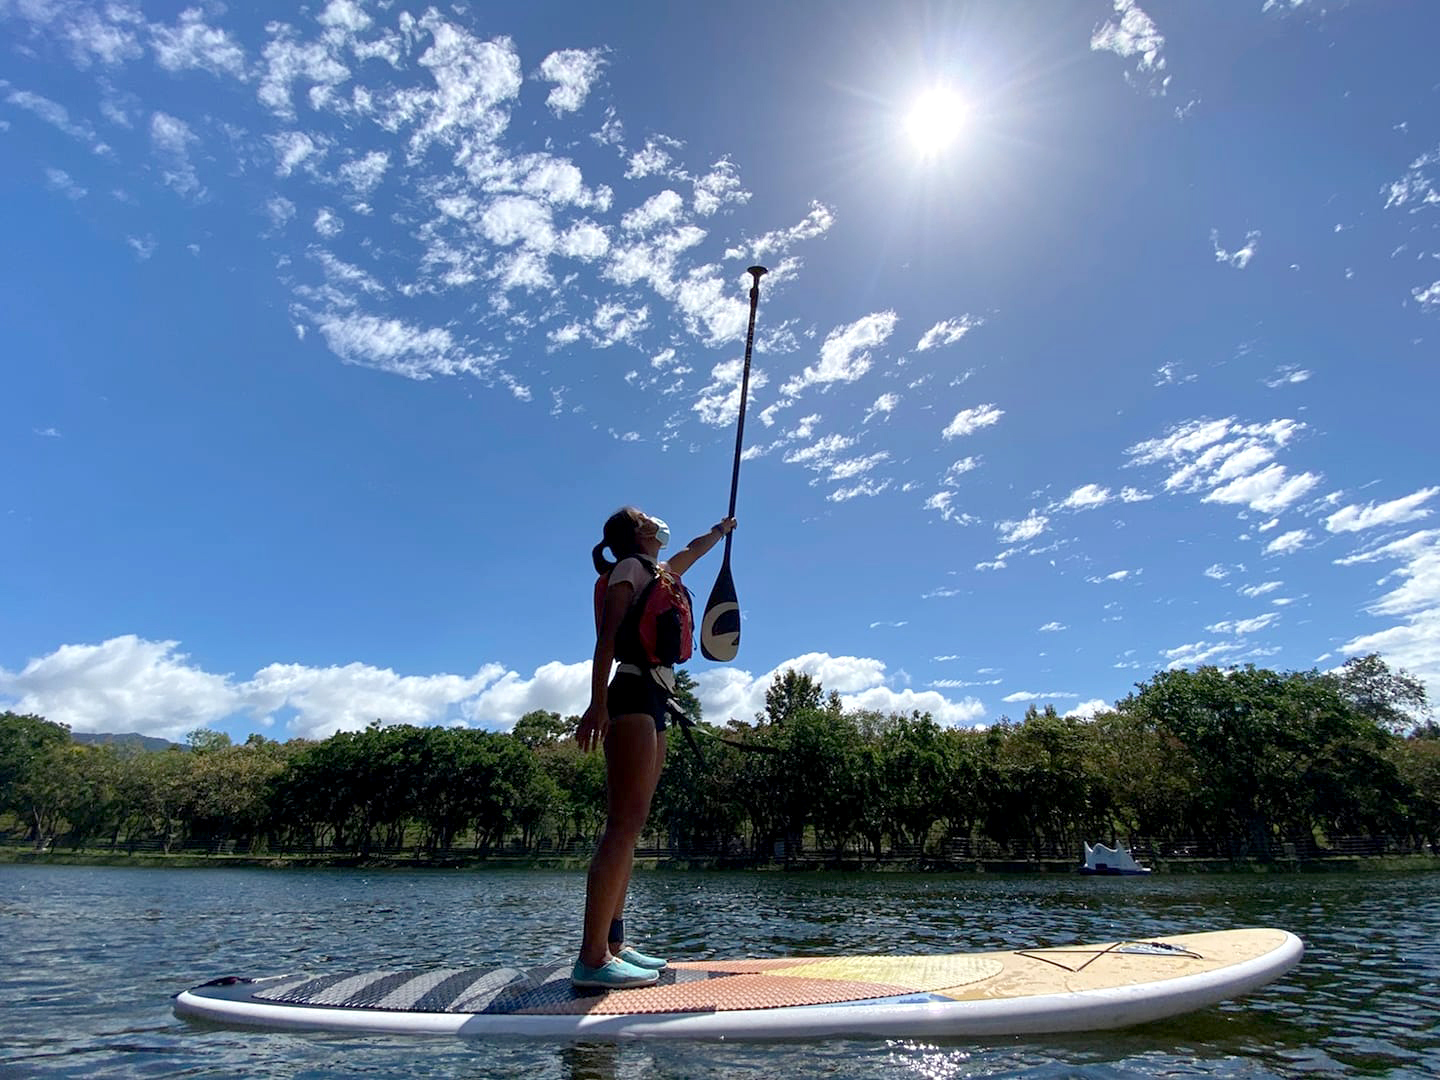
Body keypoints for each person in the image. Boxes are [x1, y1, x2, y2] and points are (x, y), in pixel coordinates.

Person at [572, 506, 737, 989]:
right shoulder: (627, 568)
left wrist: (719, 532)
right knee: (622, 825)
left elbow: (690, 552)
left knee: (634, 823)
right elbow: (606, 638)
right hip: (629, 693)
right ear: (637, 532)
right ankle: (592, 959)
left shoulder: (656, 572)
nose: (658, 521)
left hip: (656, 698)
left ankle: (614, 945)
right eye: (647, 516)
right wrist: (595, 704)